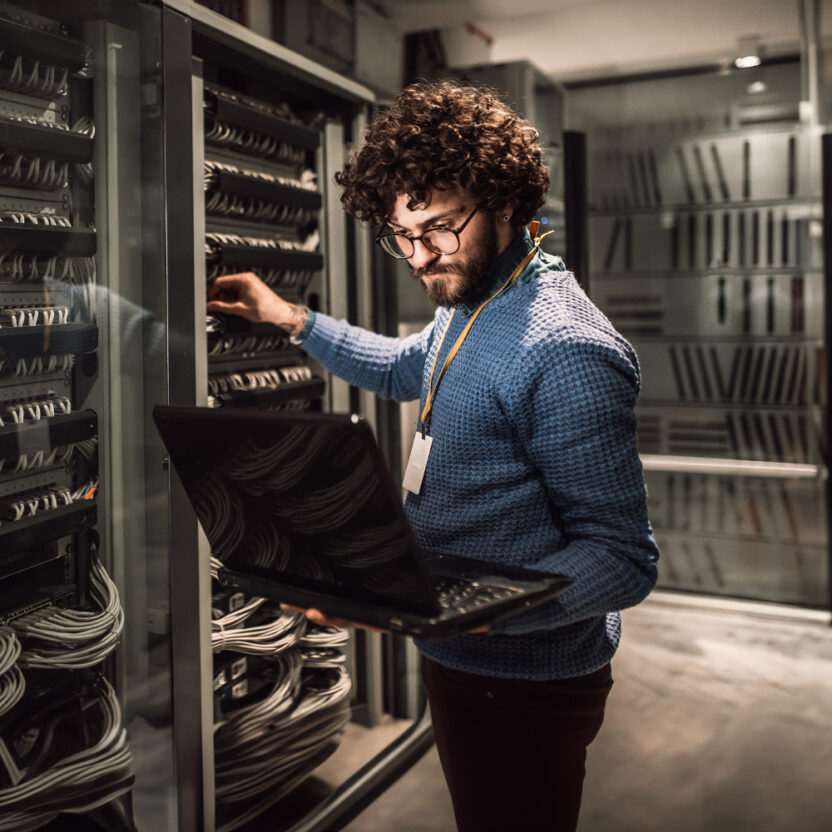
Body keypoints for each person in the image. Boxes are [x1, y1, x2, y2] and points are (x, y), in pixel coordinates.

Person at [207, 80, 659, 832]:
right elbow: (402, 368)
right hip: (460, 656)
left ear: (505, 200)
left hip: (528, 682)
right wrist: (289, 318)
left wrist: (468, 616)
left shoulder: (566, 349)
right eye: (402, 235)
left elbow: (622, 560)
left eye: (440, 228)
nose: (420, 257)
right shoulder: (474, 300)